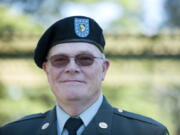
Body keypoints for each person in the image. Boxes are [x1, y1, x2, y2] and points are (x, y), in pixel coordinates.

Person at [0, 16, 169, 135]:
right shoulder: (13, 132)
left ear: (103, 69)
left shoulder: (148, 132)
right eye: (60, 60)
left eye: (85, 59)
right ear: (46, 69)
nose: (71, 68)